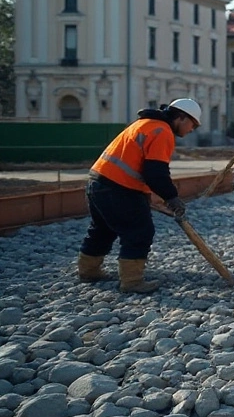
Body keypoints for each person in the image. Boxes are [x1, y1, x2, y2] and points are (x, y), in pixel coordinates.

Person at [78, 98, 202, 293]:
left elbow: (139, 167)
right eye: (192, 124)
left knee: (102, 229)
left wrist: (151, 198)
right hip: (119, 187)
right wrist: (172, 197)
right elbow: (156, 172)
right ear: (181, 117)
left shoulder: (143, 124)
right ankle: (132, 281)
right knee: (139, 231)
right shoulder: (162, 132)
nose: (192, 130)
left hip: (98, 182)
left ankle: (88, 271)